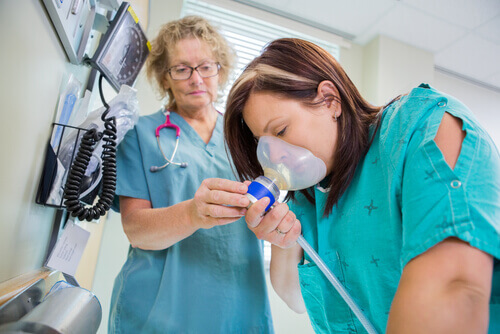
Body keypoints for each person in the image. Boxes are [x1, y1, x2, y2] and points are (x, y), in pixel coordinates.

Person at [224, 38, 500, 333]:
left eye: (281, 130)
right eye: (262, 143)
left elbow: (453, 289)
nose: (273, 156)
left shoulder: (422, 129)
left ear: (330, 100)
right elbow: (297, 299)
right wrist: (284, 241)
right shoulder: (307, 197)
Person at [108, 16, 274, 333]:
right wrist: (192, 213)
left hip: (236, 305)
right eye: (182, 69)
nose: (196, 79)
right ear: (164, 77)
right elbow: (135, 230)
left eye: (206, 67)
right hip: (158, 310)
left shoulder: (250, 137)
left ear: (220, 70)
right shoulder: (140, 134)